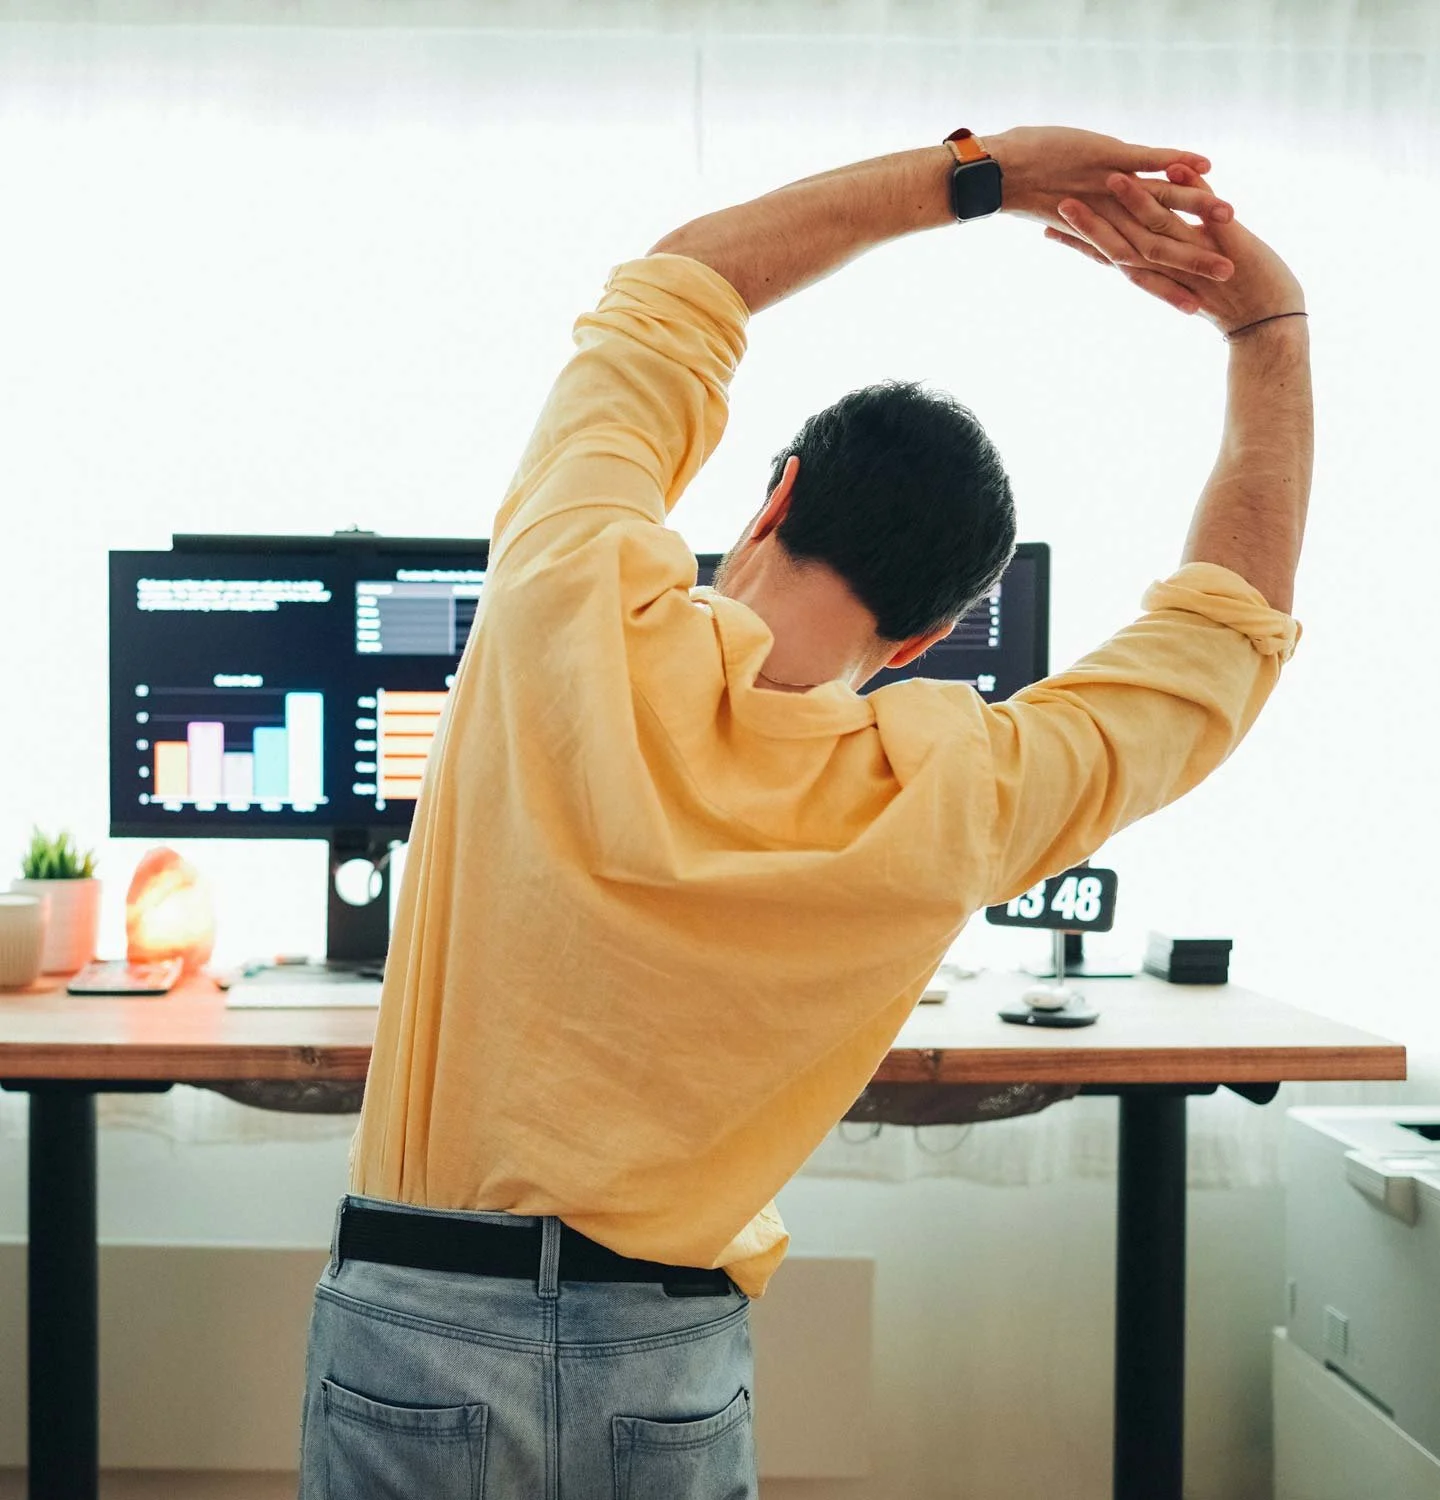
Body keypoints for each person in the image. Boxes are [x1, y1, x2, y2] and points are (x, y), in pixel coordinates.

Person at [297, 125, 1310, 1499]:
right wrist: (1265, 329)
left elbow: (683, 286)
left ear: (775, 493)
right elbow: (1223, 641)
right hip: (666, 1357)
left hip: (419, 1322)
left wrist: (989, 172)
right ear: (931, 635)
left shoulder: (569, 593)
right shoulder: (957, 791)